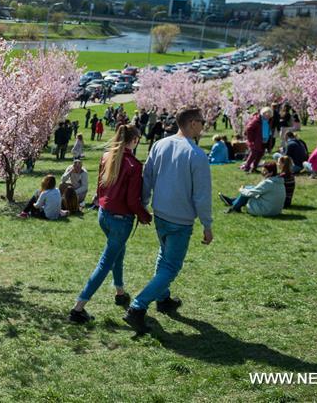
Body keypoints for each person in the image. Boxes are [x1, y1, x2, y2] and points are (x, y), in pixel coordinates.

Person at [124, 108, 213, 335]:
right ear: (192, 123)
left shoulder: (160, 145)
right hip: (180, 218)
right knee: (171, 266)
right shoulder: (197, 155)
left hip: (161, 213)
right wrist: (207, 224)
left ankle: (163, 298)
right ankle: (137, 307)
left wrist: (144, 203)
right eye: (202, 121)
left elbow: (148, 177)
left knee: (164, 256)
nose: (204, 125)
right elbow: (201, 195)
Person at [70, 125, 150, 324]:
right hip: (120, 219)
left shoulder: (107, 156)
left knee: (118, 253)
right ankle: (78, 308)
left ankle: (120, 291)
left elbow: (99, 186)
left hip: (104, 214)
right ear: (134, 140)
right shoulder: (133, 165)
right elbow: (132, 201)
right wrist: (144, 215)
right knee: (105, 262)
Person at [220, 161, 285, 217]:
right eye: (262, 170)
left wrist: (241, 189)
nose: (263, 173)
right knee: (249, 187)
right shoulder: (279, 181)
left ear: (271, 173)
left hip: (265, 211)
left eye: (265, 171)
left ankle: (234, 207)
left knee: (246, 192)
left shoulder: (268, 183)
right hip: (276, 211)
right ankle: (233, 202)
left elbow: (250, 193)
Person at [241, 107, 273, 172]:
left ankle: (254, 168)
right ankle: (247, 167)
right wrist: (252, 139)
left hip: (265, 140)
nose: (268, 116)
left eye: (269, 115)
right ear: (263, 113)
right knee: (253, 154)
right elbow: (249, 129)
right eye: (267, 114)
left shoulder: (269, 120)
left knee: (260, 154)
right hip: (256, 140)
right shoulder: (256, 120)